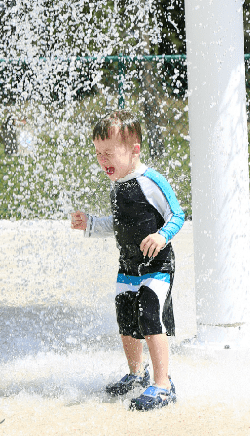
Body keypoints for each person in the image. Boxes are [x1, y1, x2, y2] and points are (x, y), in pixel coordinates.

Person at [71, 110, 184, 410]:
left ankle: (162, 384)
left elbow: (178, 215)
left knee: (149, 317)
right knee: (126, 319)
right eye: (97, 153)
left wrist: (162, 236)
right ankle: (137, 374)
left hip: (156, 265)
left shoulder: (151, 181)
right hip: (128, 267)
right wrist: (91, 224)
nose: (102, 160)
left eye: (109, 153)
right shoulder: (119, 184)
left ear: (134, 149)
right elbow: (120, 224)